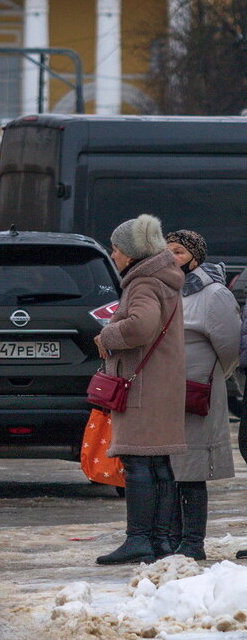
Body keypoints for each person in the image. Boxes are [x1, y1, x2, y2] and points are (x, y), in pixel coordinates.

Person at [94, 214, 187, 566]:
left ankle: (139, 540)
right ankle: (161, 540)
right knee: (158, 464)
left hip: (142, 389)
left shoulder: (143, 283)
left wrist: (107, 336)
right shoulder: (165, 280)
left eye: (116, 248)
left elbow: (141, 326)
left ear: (131, 253)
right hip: (161, 385)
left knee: (138, 465)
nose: (112, 254)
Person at [163, 230, 238, 561]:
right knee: (170, 468)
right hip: (165, 392)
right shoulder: (166, 291)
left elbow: (230, 346)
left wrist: (214, 375)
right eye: (166, 252)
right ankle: (174, 538)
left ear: (195, 256)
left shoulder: (213, 294)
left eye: (178, 252)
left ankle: (193, 542)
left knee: (191, 467)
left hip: (198, 390)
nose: (171, 258)